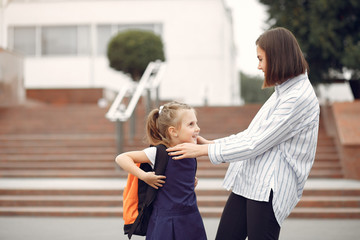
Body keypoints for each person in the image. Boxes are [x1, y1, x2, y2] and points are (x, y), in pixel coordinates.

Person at [167, 27, 320, 240]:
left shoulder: (297, 98)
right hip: (251, 180)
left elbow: (254, 143)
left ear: (277, 58)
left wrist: (203, 151)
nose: (258, 66)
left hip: (269, 187)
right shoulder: (284, 92)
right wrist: (210, 144)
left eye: (261, 59)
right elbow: (252, 135)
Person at [115, 101, 207, 240]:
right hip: (165, 221)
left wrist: (189, 181)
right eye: (191, 125)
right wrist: (144, 176)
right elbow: (122, 158)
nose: (197, 129)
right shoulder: (158, 153)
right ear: (173, 131)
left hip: (190, 218)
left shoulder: (191, 151)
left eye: (196, 123)